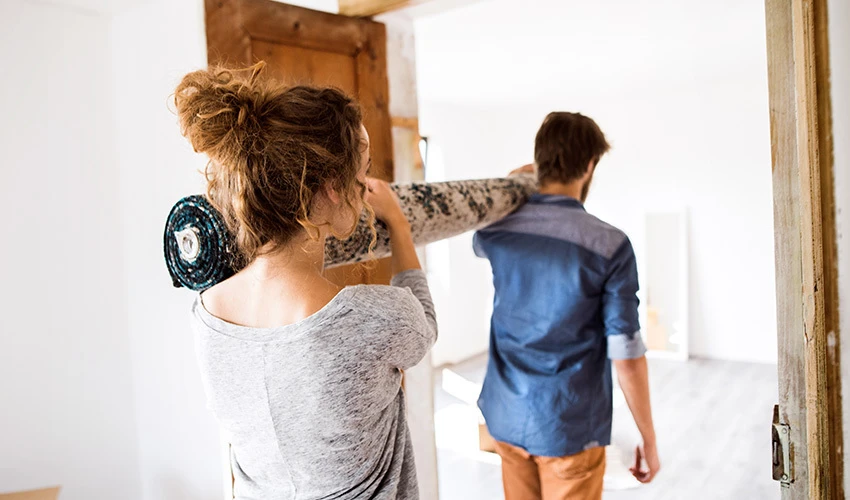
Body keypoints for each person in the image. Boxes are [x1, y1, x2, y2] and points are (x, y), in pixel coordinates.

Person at [174, 63, 437, 499]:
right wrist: (401, 228)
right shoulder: (371, 318)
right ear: (333, 186)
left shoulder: (205, 315)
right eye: (363, 169)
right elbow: (424, 325)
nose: (366, 183)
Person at [473, 112, 660, 499]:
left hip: (505, 416)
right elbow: (625, 355)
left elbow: (480, 238)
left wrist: (515, 180)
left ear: (538, 161)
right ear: (590, 165)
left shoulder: (498, 230)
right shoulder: (611, 245)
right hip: (567, 427)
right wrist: (648, 437)